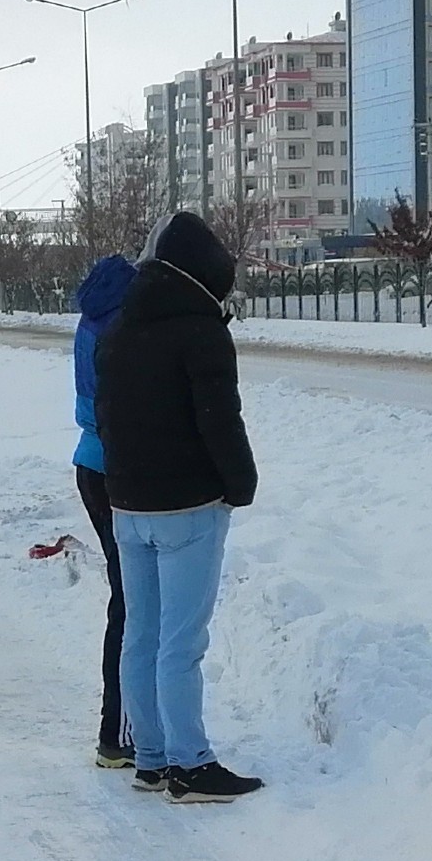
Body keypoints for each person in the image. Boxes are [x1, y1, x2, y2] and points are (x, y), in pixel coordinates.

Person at [91, 211, 264, 803]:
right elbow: (219, 420)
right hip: (188, 509)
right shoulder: (201, 332)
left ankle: (152, 758)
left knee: (141, 632)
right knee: (181, 642)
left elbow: (108, 421)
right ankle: (191, 764)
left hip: (127, 507)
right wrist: (240, 484)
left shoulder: (117, 331)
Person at [68, 251, 137, 768]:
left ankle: (116, 730)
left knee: (127, 598)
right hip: (117, 468)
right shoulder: (120, 329)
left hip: (90, 463)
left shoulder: (90, 321)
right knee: (132, 605)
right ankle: (116, 732)